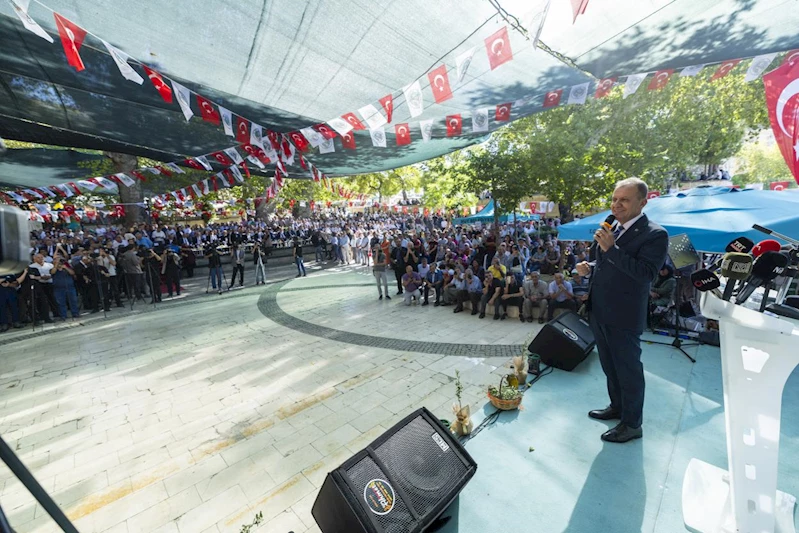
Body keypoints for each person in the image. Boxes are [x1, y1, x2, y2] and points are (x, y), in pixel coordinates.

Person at [576, 177, 668, 444]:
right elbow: (604, 263)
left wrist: (612, 249)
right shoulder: (611, 226)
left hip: (624, 315)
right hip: (599, 310)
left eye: (624, 200)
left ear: (642, 202)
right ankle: (617, 407)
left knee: (628, 371)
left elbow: (645, 274)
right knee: (610, 367)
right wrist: (587, 266)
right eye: (615, 199)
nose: (616, 205)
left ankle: (632, 424)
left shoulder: (655, 234)